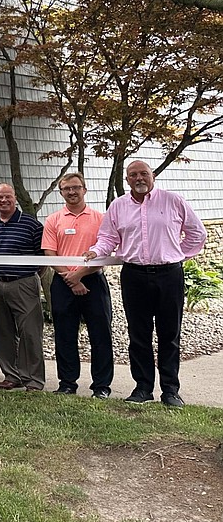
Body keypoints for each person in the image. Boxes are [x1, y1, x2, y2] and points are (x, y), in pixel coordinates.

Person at [85, 160, 206, 408]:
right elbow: (108, 237)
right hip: (134, 276)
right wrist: (96, 251)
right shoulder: (118, 206)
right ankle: (142, 388)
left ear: (153, 176)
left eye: (144, 174)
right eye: (133, 175)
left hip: (169, 276)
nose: (139, 178)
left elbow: (197, 233)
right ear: (127, 180)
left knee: (169, 334)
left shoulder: (173, 201)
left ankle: (170, 390)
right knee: (138, 335)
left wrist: (177, 254)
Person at [42, 172, 114, 399]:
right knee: (64, 334)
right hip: (63, 283)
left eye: (76, 187)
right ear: (61, 192)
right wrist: (70, 279)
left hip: (93, 280)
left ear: (84, 189)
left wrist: (80, 276)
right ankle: (67, 383)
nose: (71, 192)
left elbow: (105, 250)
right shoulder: (54, 219)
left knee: (100, 334)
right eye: (66, 189)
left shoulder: (100, 218)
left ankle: (101, 386)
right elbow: (49, 252)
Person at [0, 183, 45, 392]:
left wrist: (30, 277)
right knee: (3, 332)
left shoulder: (31, 224)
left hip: (24, 282)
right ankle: (11, 375)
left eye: (8, 196)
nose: (4, 200)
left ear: (15, 198)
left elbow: (42, 256)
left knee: (29, 332)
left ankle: (33, 380)